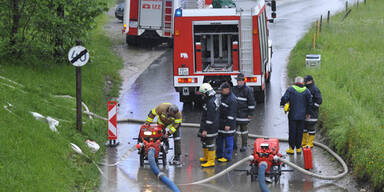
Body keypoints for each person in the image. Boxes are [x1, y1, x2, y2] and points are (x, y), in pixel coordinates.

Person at [280, 76, 312, 154]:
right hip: (302, 116)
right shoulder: (307, 91)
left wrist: (282, 104)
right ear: (302, 83)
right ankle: (298, 148)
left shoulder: (291, 89)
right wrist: (308, 113)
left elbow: (284, 98)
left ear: (295, 82)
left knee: (292, 131)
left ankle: (291, 148)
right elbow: (310, 103)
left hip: (292, 115)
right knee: (300, 131)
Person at [198, 83, 220, 168]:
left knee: (210, 143)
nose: (202, 96)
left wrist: (205, 130)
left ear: (207, 93)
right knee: (205, 141)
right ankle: (206, 157)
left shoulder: (211, 103)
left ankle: (211, 161)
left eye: (203, 94)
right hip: (208, 125)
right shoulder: (211, 99)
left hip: (210, 127)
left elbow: (210, 118)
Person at [232, 73, 256, 152]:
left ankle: (244, 145)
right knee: (234, 130)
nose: (239, 82)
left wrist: (250, 114)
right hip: (235, 114)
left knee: (244, 130)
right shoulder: (234, 89)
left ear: (243, 81)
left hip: (244, 114)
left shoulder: (248, 90)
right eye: (238, 81)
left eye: (240, 81)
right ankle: (234, 145)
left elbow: (251, 103)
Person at [216, 82, 237, 162]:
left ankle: (227, 157)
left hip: (228, 124)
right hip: (221, 123)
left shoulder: (232, 100)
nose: (221, 91)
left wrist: (228, 124)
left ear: (227, 89)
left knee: (228, 141)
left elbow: (231, 114)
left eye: (222, 90)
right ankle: (219, 155)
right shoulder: (223, 97)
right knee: (219, 140)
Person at [302, 75, 322, 148]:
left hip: (312, 113)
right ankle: (304, 142)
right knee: (304, 127)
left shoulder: (315, 89)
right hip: (305, 112)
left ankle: (310, 143)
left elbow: (319, 101)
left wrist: (311, 110)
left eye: (306, 81)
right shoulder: (305, 88)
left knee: (311, 127)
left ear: (310, 81)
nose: (305, 82)